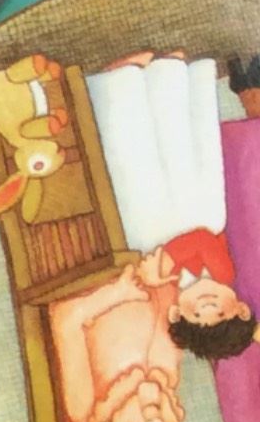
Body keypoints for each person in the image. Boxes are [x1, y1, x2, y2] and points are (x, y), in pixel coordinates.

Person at [84, 52, 258, 364]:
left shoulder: (166, 284)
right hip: (195, 203)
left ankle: (119, 84)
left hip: (157, 210)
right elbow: (202, 239)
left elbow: (143, 264)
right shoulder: (224, 273)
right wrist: (166, 260)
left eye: (197, 314)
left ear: (177, 313)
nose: (207, 304)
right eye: (219, 312)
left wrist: (155, 270)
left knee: (137, 158)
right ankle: (166, 74)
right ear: (240, 307)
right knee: (178, 142)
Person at [51, 257, 187, 422]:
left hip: (85, 264)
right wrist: (158, 277)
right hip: (133, 260)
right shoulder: (166, 375)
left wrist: (116, 293)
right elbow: (166, 303)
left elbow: (64, 320)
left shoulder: (85, 406)